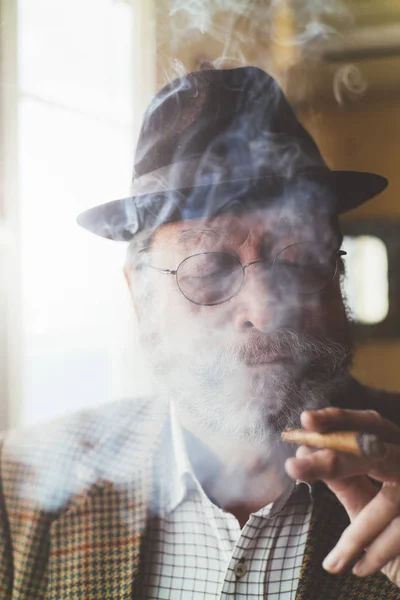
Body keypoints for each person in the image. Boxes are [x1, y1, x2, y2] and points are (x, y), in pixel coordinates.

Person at [1, 66, 400, 600]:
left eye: (303, 260)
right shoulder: (18, 485)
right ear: (139, 296)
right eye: (208, 269)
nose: (265, 309)